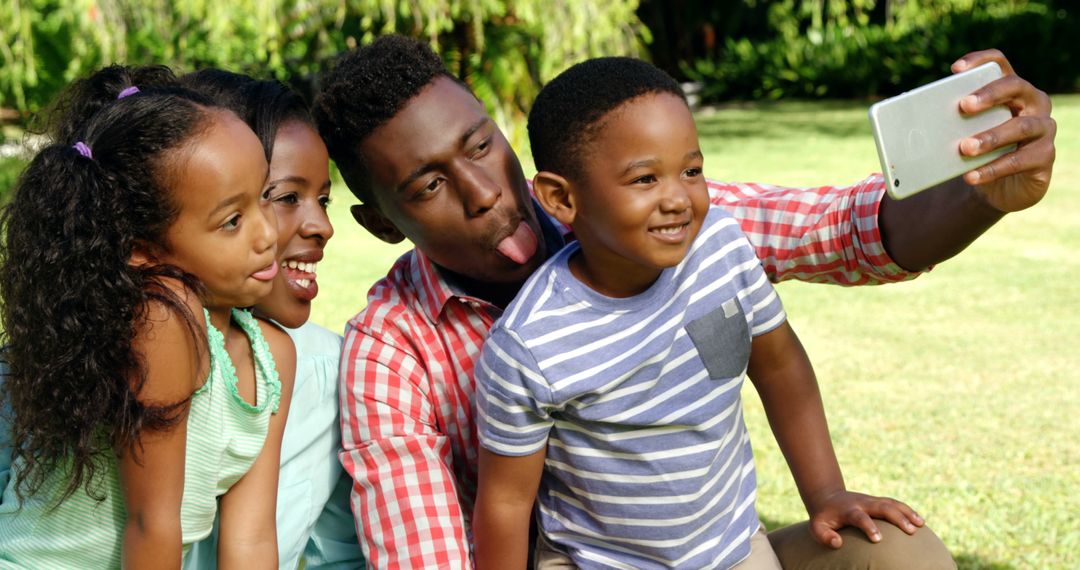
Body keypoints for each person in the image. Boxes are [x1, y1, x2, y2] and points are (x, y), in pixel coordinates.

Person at [311, 35, 1055, 568]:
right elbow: (439, 550)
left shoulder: (664, 222)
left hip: (722, 548)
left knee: (901, 556)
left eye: (479, 146)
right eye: (428, 186)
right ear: (382, 223)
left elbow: (852, 231)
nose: (481, 194)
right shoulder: (391, 354)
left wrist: (987, 190)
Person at [471, 56, 951, 569]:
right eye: (644, 179)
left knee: (909, 555)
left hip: (733, 551)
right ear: (561, 199)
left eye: (691, 170)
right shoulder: (530, 344)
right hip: (606, 563)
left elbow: (780, 366)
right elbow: (504, 504)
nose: (678, 198)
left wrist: (827, 493)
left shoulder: (719, 248)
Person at [0, 65, 296, 568]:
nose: (267, 233)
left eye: (264, 196)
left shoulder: (273, 360)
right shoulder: (163, 318)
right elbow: (151, 523)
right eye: (232, 220)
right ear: (142, 251)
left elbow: (251, 540)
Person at [177, 69, 365, 570]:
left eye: (324, 200)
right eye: (286, 197)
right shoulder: (87, 355)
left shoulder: (329, 374)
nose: (322, 225)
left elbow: (339, 558)